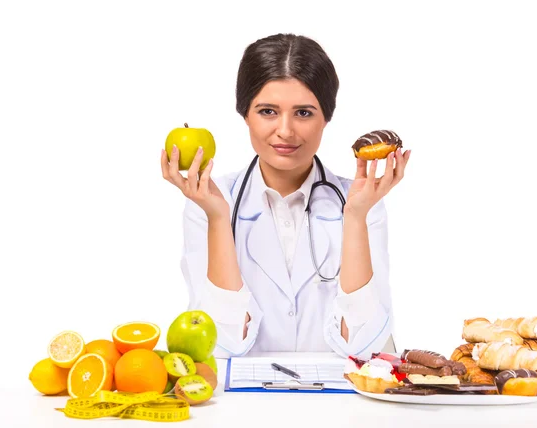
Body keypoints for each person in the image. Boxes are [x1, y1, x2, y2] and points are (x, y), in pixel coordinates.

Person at [160, 33, 411, 359]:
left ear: (327, 117)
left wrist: (355, 218)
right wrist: (219, 218)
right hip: (241, 406)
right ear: (245, 114)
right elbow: (221, 343)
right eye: (267, 111)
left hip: (339, 407)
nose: (285, 131)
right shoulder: (210, 201)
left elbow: (364, 347)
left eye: (304, 113)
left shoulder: (363, 203)